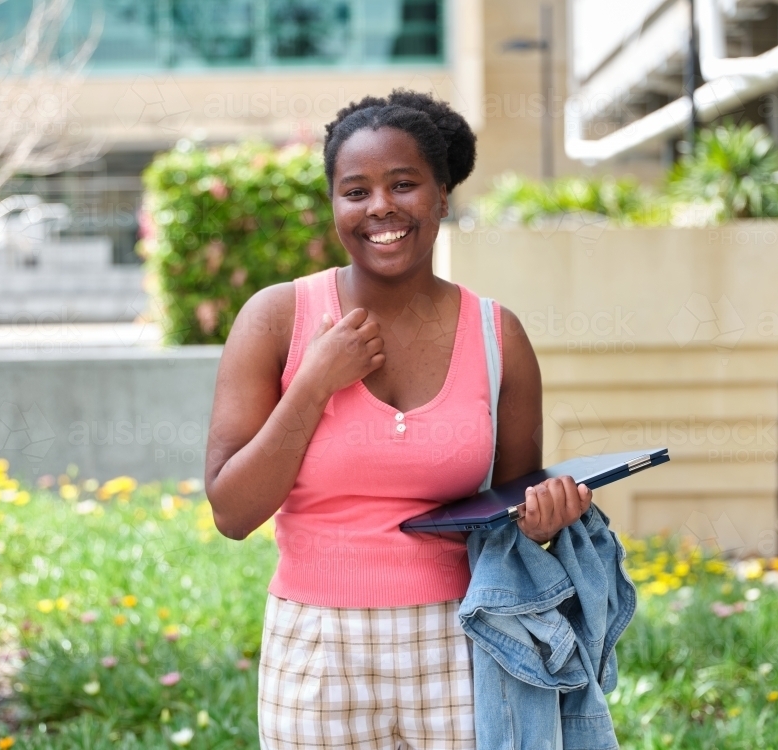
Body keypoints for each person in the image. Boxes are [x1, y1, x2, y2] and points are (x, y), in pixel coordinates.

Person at [205, 89, 593, 749]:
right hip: (315, 645)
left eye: (404, 184)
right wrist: (315, 383)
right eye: (355, 191)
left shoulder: (499, 337)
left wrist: (543, 520)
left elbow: (508, 521)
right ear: (334, 206)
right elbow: (233, 514)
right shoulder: (276, 319)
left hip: (461, 638)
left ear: (442, 195)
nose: (380, 206)